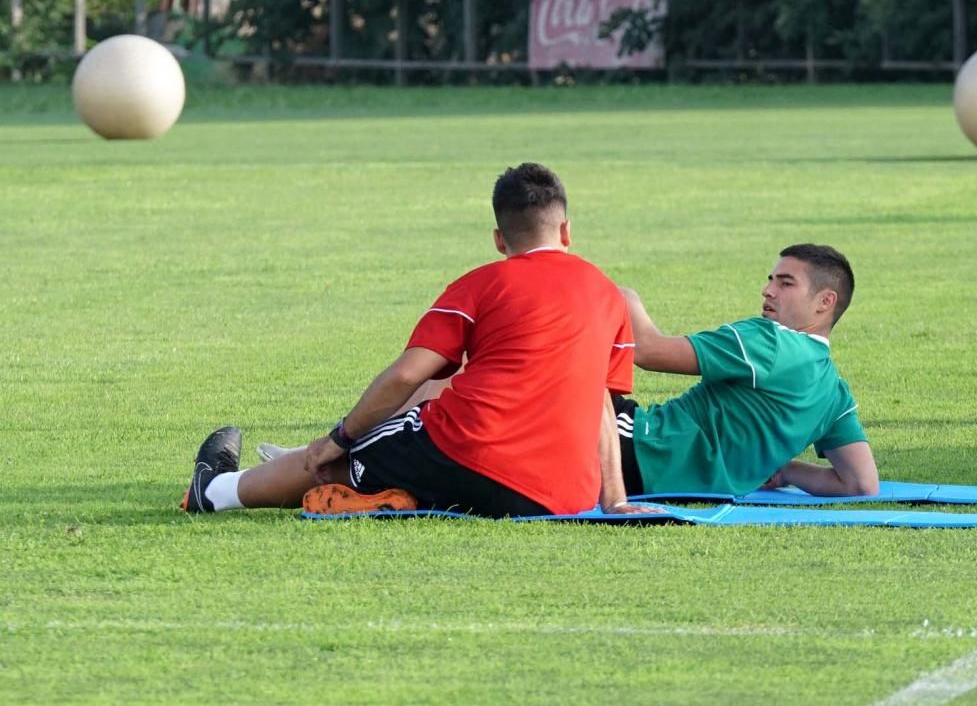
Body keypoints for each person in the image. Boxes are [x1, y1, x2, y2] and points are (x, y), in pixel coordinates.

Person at [180, 163, 654, 518]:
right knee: (408, 445)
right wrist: (613, 500)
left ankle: (215, 491)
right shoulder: (609, 295)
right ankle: (385, 495)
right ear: (566, 231)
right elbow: (601, 404)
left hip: (471, 453)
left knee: (359, 444)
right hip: (557, 497)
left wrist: (338, 437)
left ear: (498, 239)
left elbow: (407, 375)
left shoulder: (481, 284)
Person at [614, 244, 879, 498]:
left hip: (637, 446)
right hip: (658, 475)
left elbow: (648, 351)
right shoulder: (834, 394)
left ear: (825, 301)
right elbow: (861, 484)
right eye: (771, 280)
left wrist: (619, 295)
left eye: (786, 283)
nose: (768, 291)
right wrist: (786, 470)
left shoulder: (771, 341)